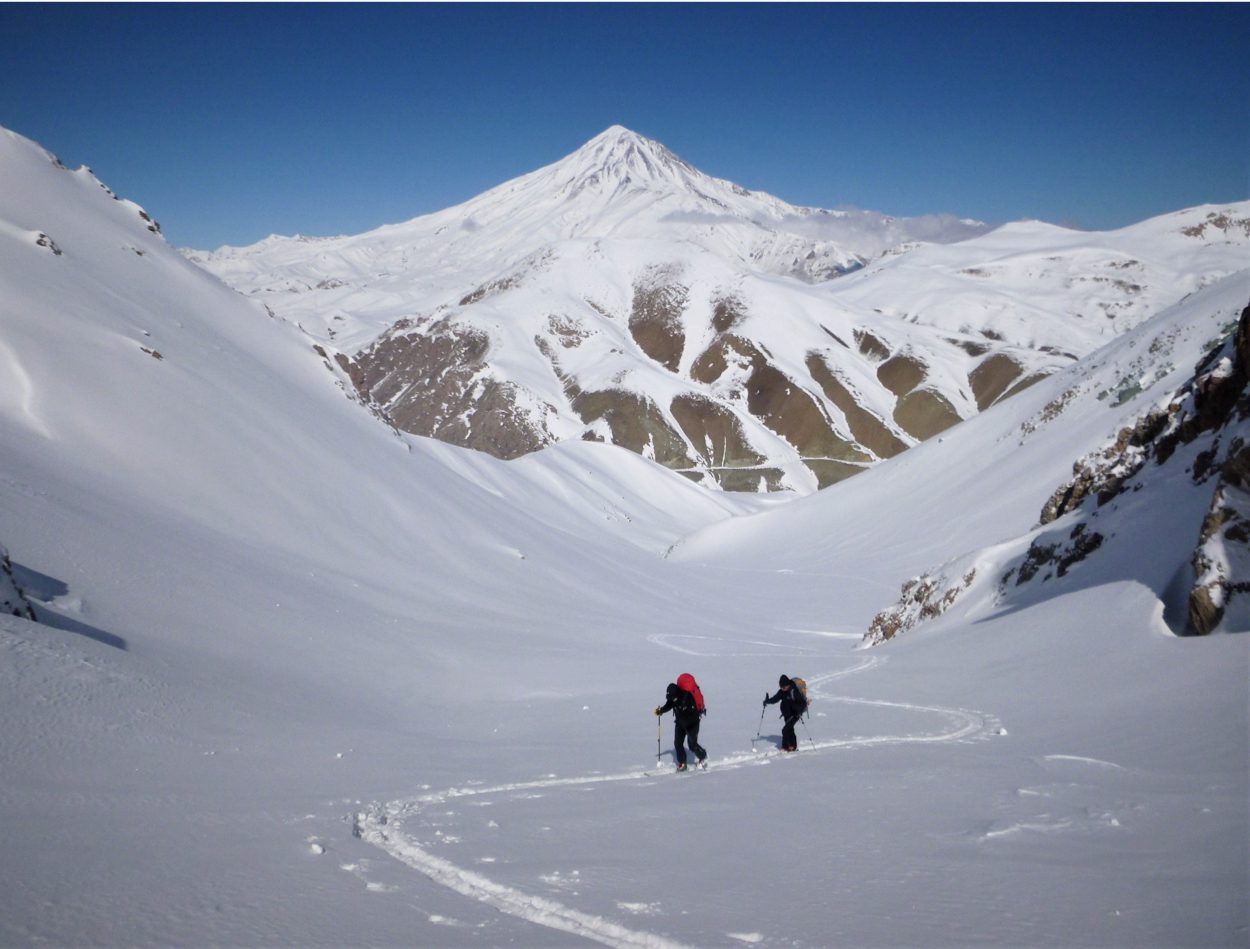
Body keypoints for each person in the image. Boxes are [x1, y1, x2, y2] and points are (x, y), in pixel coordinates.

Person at [655, 681, 707, 771]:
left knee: (692, 745)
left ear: (677, 694)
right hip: (680, 724)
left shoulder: (687, 697)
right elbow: (669, 705)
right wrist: (661, 711)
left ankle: (702, 757)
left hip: (692, 724)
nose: (672, 700)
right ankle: (682, 763)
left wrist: (687, 722)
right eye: (670, 698)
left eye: (673, 698)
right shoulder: (673, 698)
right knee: (678, 743)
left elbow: (694, 714)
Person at [763, 675, 807, 752]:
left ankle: (786, 746)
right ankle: (792, 746)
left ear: (788, 685)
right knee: (790, 730)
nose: (782, 689)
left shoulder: (794, 691)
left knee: (785, 730)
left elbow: (803, 703)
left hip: (795, 714)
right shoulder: (782, 692)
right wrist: (767, 701)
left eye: (783, 687)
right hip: (787, 714)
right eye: (781, 687)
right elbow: (775, 699)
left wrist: (798, 712)